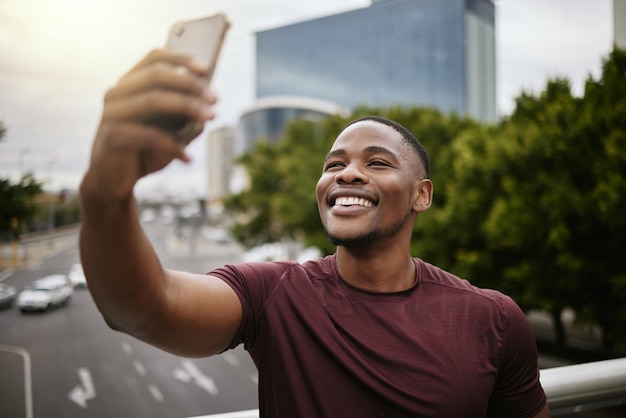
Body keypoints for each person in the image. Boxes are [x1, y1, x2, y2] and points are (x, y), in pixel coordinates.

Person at [79, 49, 550, 418]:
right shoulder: (272, 294)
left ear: (421, 195)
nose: (347, 174)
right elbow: (141, 307)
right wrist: (105, 187)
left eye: (377, 162)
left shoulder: (496, 320)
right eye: (334, 164)